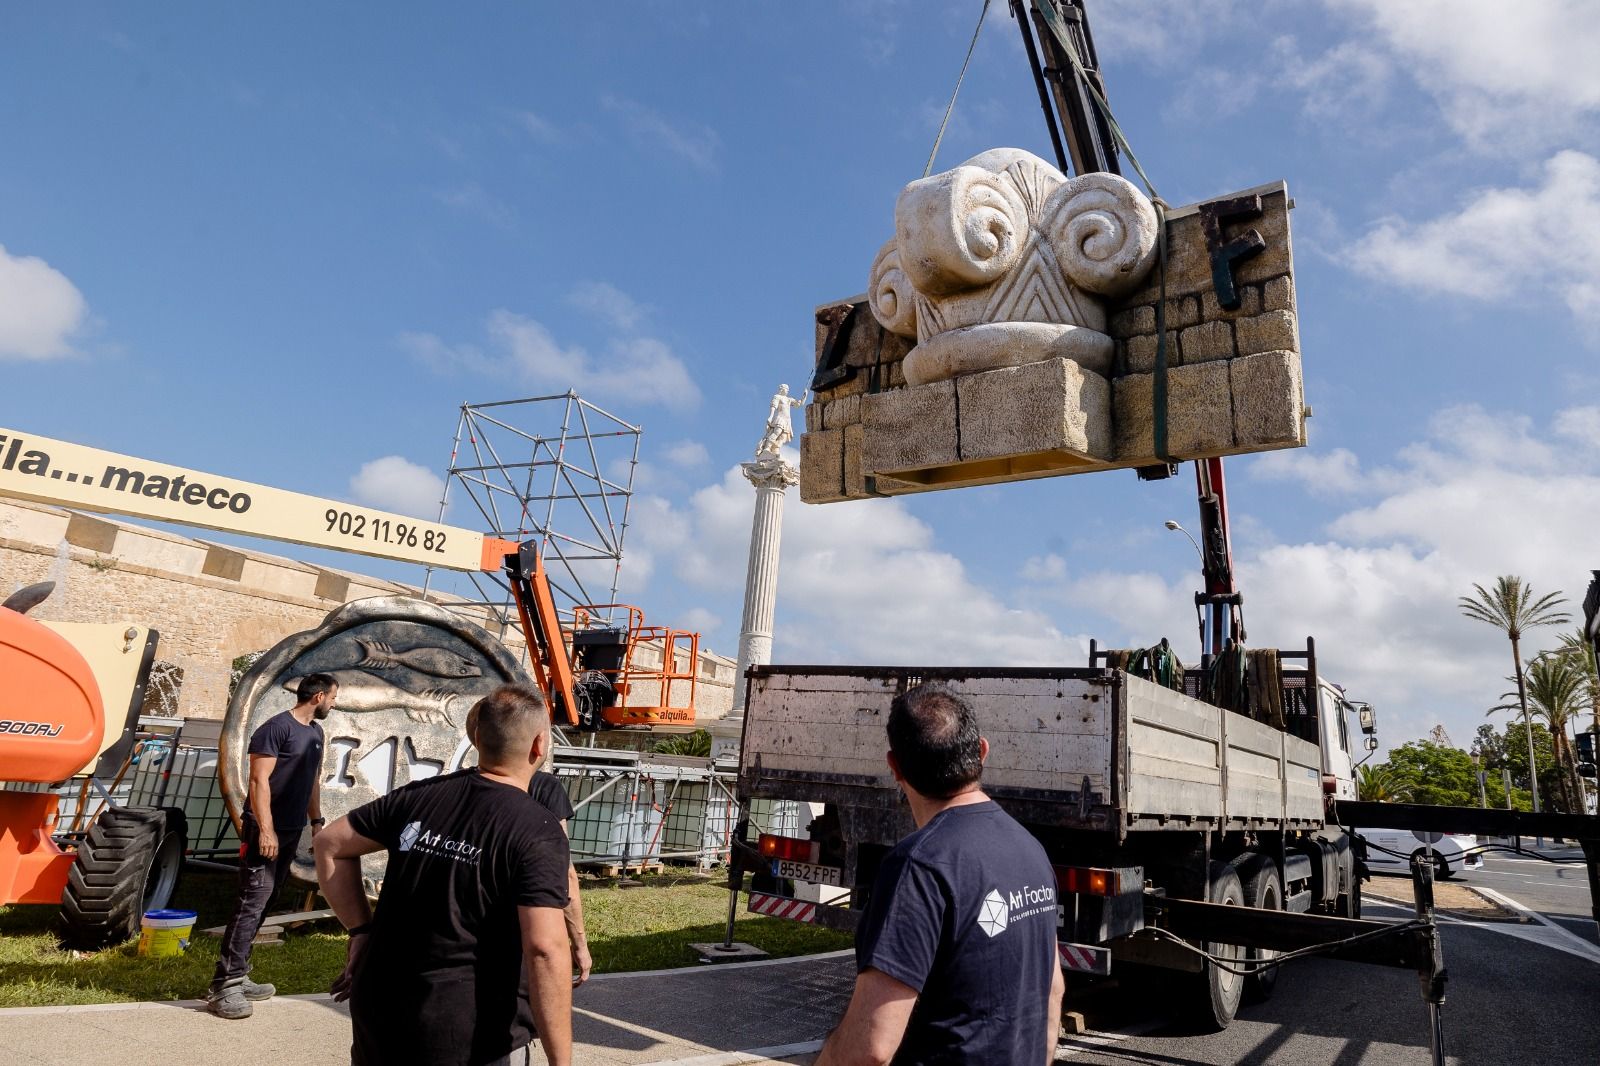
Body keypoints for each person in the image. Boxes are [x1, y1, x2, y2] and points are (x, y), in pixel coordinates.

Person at [314, 683, 573, 1066]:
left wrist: (360, 930)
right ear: (539, 746)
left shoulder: (418, 795)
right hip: (467, 1035)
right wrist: (561, 1062)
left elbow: (329, 844)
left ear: (477, 738)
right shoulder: (538, 829)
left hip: (380, 1017)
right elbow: (545, 950)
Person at [815, 682, 1064, 1066]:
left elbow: (869, 1049)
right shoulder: (1031, 851)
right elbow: (1052, 994)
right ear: (981, 751)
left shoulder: (918, 867)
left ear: (894, 767)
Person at [207, 673, 335, 1020]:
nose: (334, 703)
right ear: (318, 697)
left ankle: (239, 973)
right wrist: (266, 831)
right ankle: (225, 986)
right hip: (265, 828)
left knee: (266, 900)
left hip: (293, 829)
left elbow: (311, 781)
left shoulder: (315, 733)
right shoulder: (275, 728)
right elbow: (258, 780)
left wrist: (317, 821)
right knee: (252, 900)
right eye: (333, 698)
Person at [527, 761, 593, 986]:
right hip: (528, 931)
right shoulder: (544, 787)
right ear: (538, 743)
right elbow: (563, 872)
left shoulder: (452, 788)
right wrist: (580, 944)